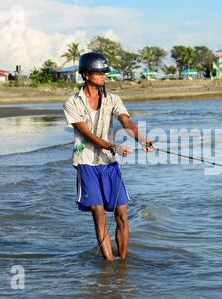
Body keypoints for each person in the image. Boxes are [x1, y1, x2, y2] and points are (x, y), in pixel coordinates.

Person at [63, 52, 154, 261]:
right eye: (99, 72)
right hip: (86, 162)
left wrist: (142, 139)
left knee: (122, 214)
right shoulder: (71, 103)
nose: (105, 76)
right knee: (98, 212)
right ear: (86, 74)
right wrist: (114, 146)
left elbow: (126, 123)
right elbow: (86, 134)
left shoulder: (113, 99)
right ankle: (109, 262)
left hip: (110, 163)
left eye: (105, 72)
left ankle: (122, 264)